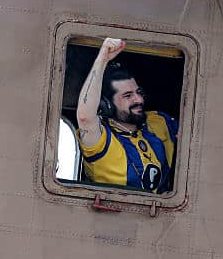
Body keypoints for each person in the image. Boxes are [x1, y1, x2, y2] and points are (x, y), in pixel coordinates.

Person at [75, 37, 179, 193]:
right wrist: (102, 59)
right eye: (128, 96)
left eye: (138, 92)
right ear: (107, 105)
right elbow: (85, 117)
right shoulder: (100, 140)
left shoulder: (160, 121)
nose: (138, 99)